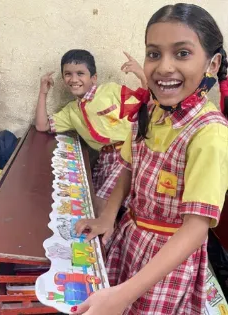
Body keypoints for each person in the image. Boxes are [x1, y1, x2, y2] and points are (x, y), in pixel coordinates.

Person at [74, 3, 228, 314]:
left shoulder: (210, 134)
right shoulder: (153, 110)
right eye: (154, 54)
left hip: (166, 266)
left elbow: (195, 230)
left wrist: (124, 294)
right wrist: (107, 217)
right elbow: (130, 169)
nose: (164, 67)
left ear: (212, 64)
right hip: (131, 241)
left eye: (182, 53)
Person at [33, 49, 146, 210]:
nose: (74, 79)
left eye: (80, 73)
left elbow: (148, 104)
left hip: (128, 155)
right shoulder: (72, 111)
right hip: (105, 160)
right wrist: (43, 93)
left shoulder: (111, 91)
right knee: (90, 202)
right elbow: (41, 125)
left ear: (94, 78)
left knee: (101, 205)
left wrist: (141, 75)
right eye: (68, 74)